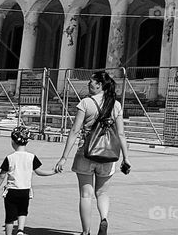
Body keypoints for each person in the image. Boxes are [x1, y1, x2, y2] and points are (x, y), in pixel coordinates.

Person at [54, 70, 132, 235]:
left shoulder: (85, 103)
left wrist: (63, 158)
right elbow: (121, 134)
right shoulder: (116, 105)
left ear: (100, 85)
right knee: (102, 192)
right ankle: (104, 218)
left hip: (86, 152)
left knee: (85, 194)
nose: (89, 84)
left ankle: (86, 231)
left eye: (91, 82)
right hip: (108, 155)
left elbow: (74, 130)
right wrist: (126, 158)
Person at [0, 125, 55, 235]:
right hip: (25, 191)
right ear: (27, 141)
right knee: (23, 211)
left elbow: (1, 176)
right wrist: (53, 172)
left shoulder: (10, 158)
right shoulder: (32, 157)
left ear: (13, 142)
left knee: (10, 216)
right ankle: (20, 230)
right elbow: (39, 172)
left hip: (12, 191)